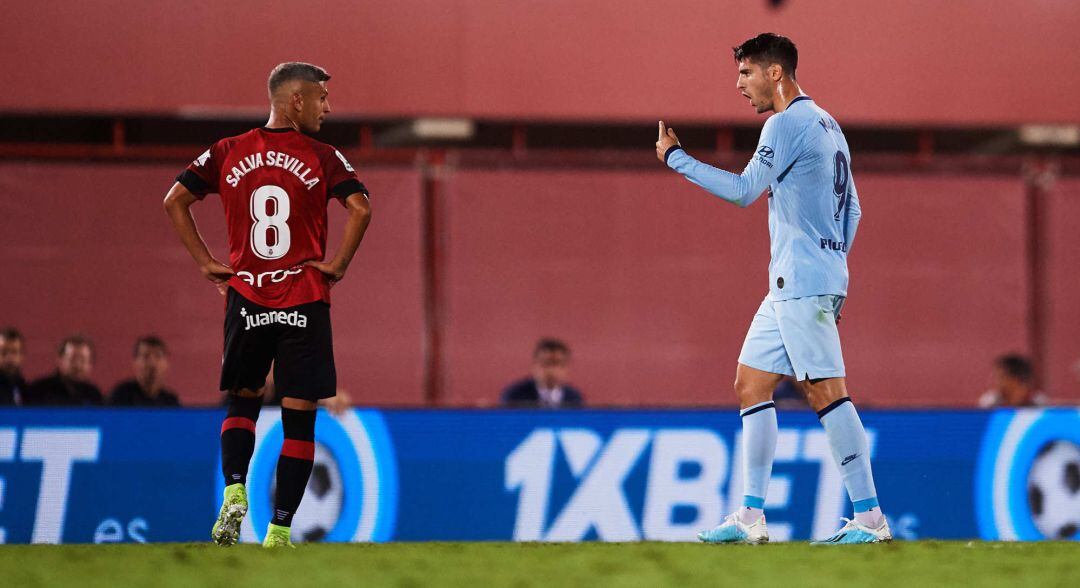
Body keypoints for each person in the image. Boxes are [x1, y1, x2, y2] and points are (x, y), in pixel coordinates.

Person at [656, 33, 887, 544]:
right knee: (750, 383)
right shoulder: (829, 124)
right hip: (801, 280)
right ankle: (751, 517)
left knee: (826, 392)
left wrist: (676, 159)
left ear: (774, 72)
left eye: (746, 73)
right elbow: (854, 210)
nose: (740, 85)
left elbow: (743, 191)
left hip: (801, 282)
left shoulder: (785, 124)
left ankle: (870, 519)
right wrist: (835, 268)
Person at [163, 62, 372, 548]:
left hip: (247, 296)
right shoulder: (323, 156)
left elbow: (174, 200)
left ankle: (234, 488)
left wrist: (206, 262)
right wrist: (337, 264)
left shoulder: (227, 151)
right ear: (295, 100)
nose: (328, 106)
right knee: (300, 416)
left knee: (243, 400)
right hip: (304, 298)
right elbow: (360, 207)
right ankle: (279, 530)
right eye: (321, 97)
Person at [501, 338, 584, 408]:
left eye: (558, 364)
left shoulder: (574, 398)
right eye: (546, 363)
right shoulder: (515, 396)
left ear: (566, 368)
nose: (551, 370)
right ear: (534, 365)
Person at [25, 335, 104, 406]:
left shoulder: (94, 395)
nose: (78, 365)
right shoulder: (38, 390)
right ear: (59, 360)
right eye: (72, 359)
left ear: (90, 364)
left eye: (83, 360)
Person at [109, 336, 181, 407]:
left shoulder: (171, 402)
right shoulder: (120, 396)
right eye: (146, 356)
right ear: (135, 363)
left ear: (166, 364)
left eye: (158, 356)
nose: (152, 363)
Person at [978, 354, 1047, 408]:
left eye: (1000, 377)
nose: (995, 382)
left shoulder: (1040, 403)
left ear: (1015, 380)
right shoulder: (989, 402)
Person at [0, 327, 28, 406]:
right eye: (3, 352)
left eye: (14, 352)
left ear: (22, 356)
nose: (9, 358)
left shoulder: (22, 387)